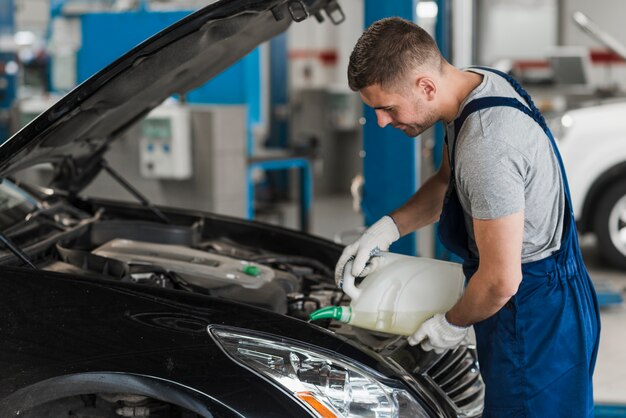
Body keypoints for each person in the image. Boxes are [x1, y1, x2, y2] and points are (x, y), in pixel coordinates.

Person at [336, 17, 600, 417]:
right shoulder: (477, 84)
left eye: (387, 107)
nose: (382, 121)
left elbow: (499, 280)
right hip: (546, 295)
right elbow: (447, 181)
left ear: (426, 85)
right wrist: (386, 229)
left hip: (533, 315)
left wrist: (451, 324)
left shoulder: (487, 146)